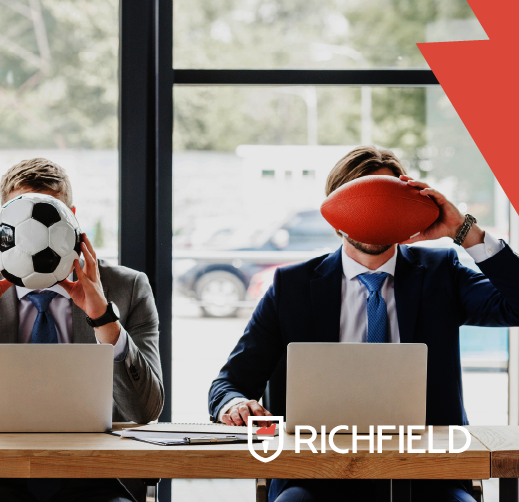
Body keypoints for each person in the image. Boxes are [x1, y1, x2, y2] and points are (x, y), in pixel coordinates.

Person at [208, 145, 519, 502]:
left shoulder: (441, 273)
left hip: (431, 474)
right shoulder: (291, 287)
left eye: (384, 204)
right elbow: (228, 384)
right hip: (314, 477)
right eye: (358, 202)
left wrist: (462, 230)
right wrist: (234, 404)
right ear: (333, 212)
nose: (371, 216)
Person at [0, 158, 164, 502]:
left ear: (72, 220)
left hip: (97, 475)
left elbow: (147, 411)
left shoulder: (127, 287)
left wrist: (103, 318)